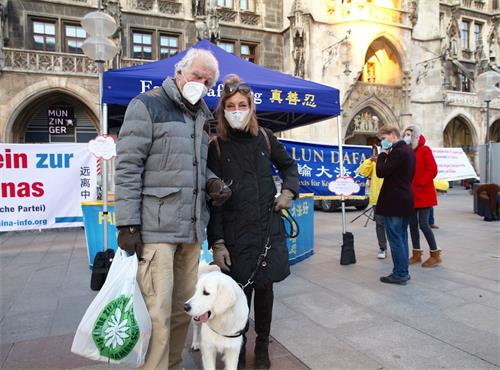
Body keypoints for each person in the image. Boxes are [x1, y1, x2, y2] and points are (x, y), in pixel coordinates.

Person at [114, 48, 231, 370]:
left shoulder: (199, 115)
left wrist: (211, 181)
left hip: (191, 230)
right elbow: (127, 166)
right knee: (156, 314)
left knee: (183, 310)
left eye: (208, 82)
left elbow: (193, 165)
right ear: (179, 72)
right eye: (197, 76)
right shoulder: (147, 104)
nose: (201, 84)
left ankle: (173, 366)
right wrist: (127, 224)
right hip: (155, 230)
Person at [207, 74, 299, 370]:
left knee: (266, 290)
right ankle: (241, 342)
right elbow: (212, 202)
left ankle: (262, 346)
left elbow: (289, 166)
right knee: (238, 293)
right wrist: (217, 242)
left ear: (251, 106)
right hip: (235, 232)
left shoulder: (266, 138)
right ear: (223, 109)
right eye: (231, 105)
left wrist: (288, 191)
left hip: (267, 229)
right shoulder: (216, 146)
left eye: (242, 104)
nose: (236, 110)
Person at [375, 125, 416, 285]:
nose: (382, 143)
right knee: (402, 237)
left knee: (395, 238)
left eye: (383, 139)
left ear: (392, 135)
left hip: (394, 201)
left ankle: (400, 274)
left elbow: (381, 172)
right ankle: (402, 271)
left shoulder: (398, 152)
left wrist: (382, 155)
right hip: (404, 200)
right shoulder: (408, 151)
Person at [403, 125, 441, 268]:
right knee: (412, 225)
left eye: (409, 134)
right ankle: (417, 254)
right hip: (410, 194)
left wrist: (420, 183)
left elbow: (433, 170)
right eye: (405, 134)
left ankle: (435, 254)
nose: (406, 137)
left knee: (424, 224)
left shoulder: (425, 150)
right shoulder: (406, 151)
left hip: (424, 192)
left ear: (415, 136)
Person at [357, 145, 387, 259]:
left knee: (392, 225)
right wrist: (370, 160)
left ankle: (395, 247)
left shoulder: (393, 161)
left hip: (392, 198)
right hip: (377, 199)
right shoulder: (374, 163)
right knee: (380, 224)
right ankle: (382, 247)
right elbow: (362, 171)